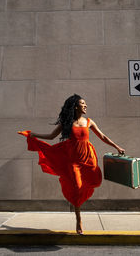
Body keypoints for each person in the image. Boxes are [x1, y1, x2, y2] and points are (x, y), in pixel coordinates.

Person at [18, 94, 125, 234]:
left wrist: (116, 147)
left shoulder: (89, 122)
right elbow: (51, 136)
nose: (86, 105)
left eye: (85, 103)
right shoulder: (66, 123)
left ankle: (80, 201)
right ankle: (79, 219)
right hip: (73, 160)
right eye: (83, 103)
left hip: (88, 158)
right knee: (76, 187)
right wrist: (33, 135)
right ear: (76, 106)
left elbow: (103, 136)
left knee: (96, 181)